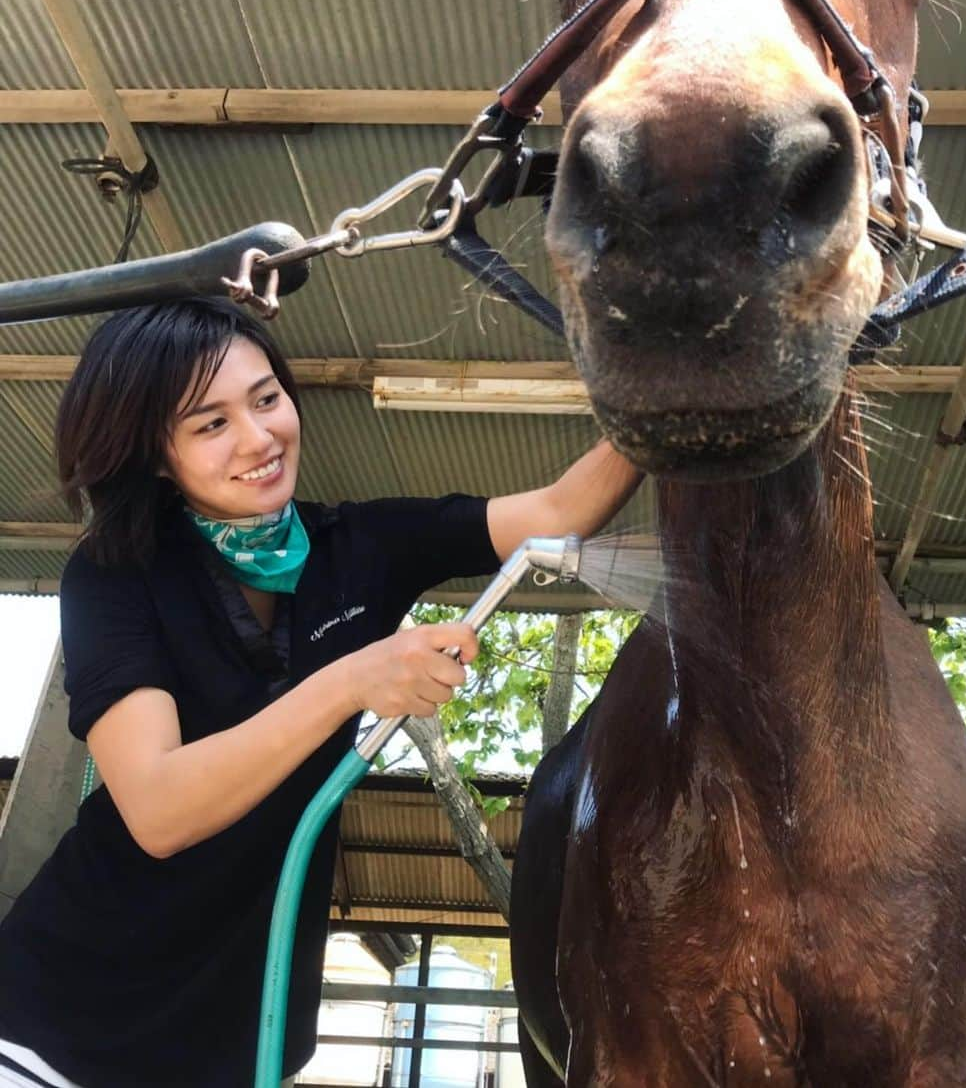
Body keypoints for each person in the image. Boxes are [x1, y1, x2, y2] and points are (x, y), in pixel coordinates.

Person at [0, 298, 642, 1088]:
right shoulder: (114, 576)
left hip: (240, 1043)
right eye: (211, 424)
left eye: (266, 398)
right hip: (57, 1028)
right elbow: (160, 810)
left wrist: (669, 395)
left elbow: (556, 512)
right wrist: (351, 681)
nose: (260, 437)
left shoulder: (360, 547)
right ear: (156, 455)